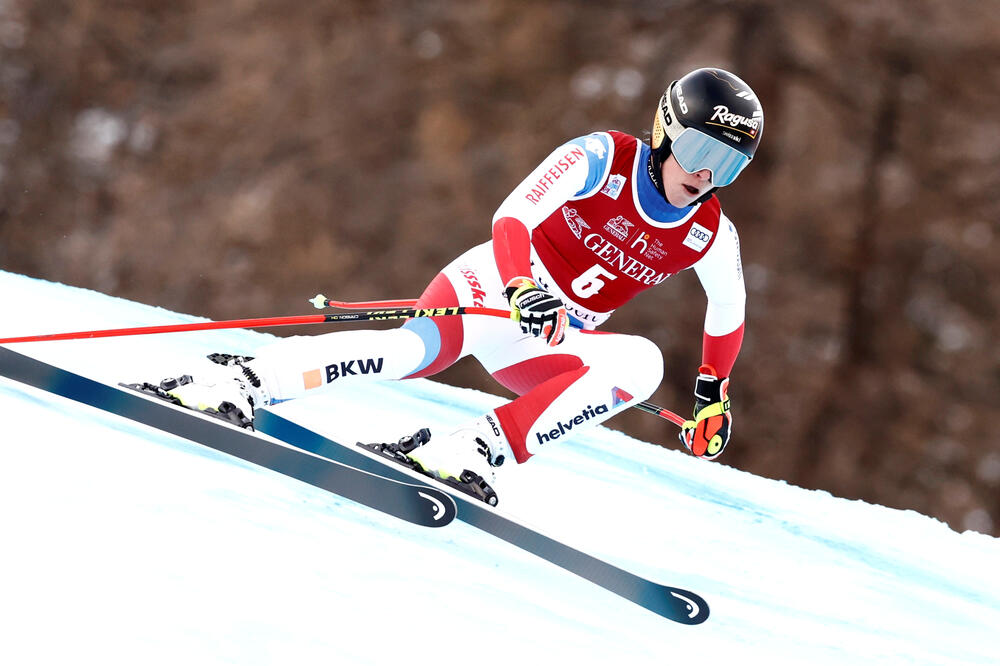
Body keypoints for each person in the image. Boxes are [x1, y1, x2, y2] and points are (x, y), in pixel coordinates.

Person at [157, 67, 762, 502]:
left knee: (643, 363)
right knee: (411, 354)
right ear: (664, 129)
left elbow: (728, 308)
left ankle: (477, 448)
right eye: (698, 148)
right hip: (499, 283)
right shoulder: (603, 157)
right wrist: (525, 287)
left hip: (548, 335)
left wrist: (713, 392)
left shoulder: (711, 232)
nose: (707, 174)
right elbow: (513, 216)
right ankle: (241, 381)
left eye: (729, 164)